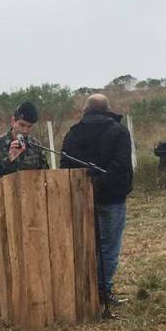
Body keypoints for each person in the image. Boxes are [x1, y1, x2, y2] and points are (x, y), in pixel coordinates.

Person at [61, 94, 133, 318]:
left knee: (85, 245)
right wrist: (100, 183)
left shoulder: (72, 134)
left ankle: (85, 291)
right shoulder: (119, 132)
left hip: (81, 198)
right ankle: (102, 291)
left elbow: (64, 167)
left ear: (85, 110)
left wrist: (87, 185)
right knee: (109, 247)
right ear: (108, 109)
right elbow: (121, 165)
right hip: (112, 198)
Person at [0, 101, 48, 315]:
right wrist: (10, 160)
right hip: (3, 210)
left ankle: (32, 304)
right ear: (13, 121)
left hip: (32, 212)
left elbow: (45, 174)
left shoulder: (36, 146)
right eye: (22, 125)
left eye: (29, 127)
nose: (25, 130)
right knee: (2, 258)